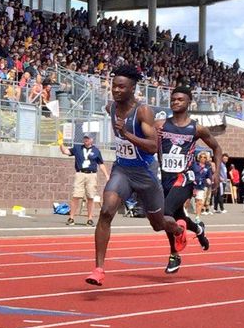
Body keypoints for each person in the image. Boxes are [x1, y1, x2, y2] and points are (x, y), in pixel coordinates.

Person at [85, 65, 186, 287]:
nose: (116, 90)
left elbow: (152, 146)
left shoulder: (143, 112)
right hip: (122, 170)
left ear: (132, 89)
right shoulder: (110, 107)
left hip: (145, 174)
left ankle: (179, 229)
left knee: (158, 225)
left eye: (122, 87)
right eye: (114, 86)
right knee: (106, 211)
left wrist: (127, 134)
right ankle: (99, 269)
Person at [157, 86, 221, 275]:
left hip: (184, 178)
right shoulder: (160, 125)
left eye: (180, 99)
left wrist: (216, 172)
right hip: (165, 178)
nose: (175, 102)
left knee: (166, 213)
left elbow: (216, 148)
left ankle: (174, 254)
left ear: (188, 102)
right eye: (173, 99)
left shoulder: (196, 128)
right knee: (179, 218)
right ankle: (198, 230)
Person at [59, 132, 107, 226]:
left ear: (92, 140)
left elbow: (101, 164)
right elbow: (65, 152)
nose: (86, 140)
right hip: (80, 174)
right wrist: (61, 144)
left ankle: (89, 219)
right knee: (76, 196)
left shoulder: (96, 151)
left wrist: (107, 175)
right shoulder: (77, 148)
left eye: (88, 138)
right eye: (85, 138)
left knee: (90, 197)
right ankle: (71, 218)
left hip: (92, 175)